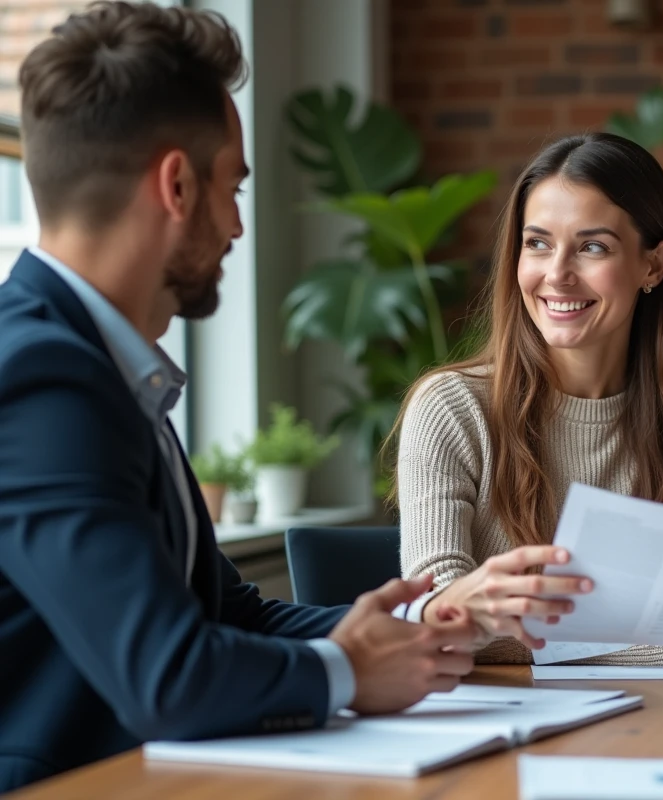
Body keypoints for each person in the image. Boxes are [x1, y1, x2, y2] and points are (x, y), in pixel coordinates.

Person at [0, 2, 473, 791]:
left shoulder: (103, 363)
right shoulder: (41, 375)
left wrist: (423, 624)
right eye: (235, 189)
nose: (237, 229)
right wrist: (348, 672)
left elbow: (227, 616)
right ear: (177, 185)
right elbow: (168, 677)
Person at [393, 132, 663, 664]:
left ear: (654, 264)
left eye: (592, 247)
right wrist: (629, 633)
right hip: (495, 726)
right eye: (536, 243)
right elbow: (441, 623)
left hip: (653, 728)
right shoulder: (450, 410)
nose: (556, 274)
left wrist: (512, 629)